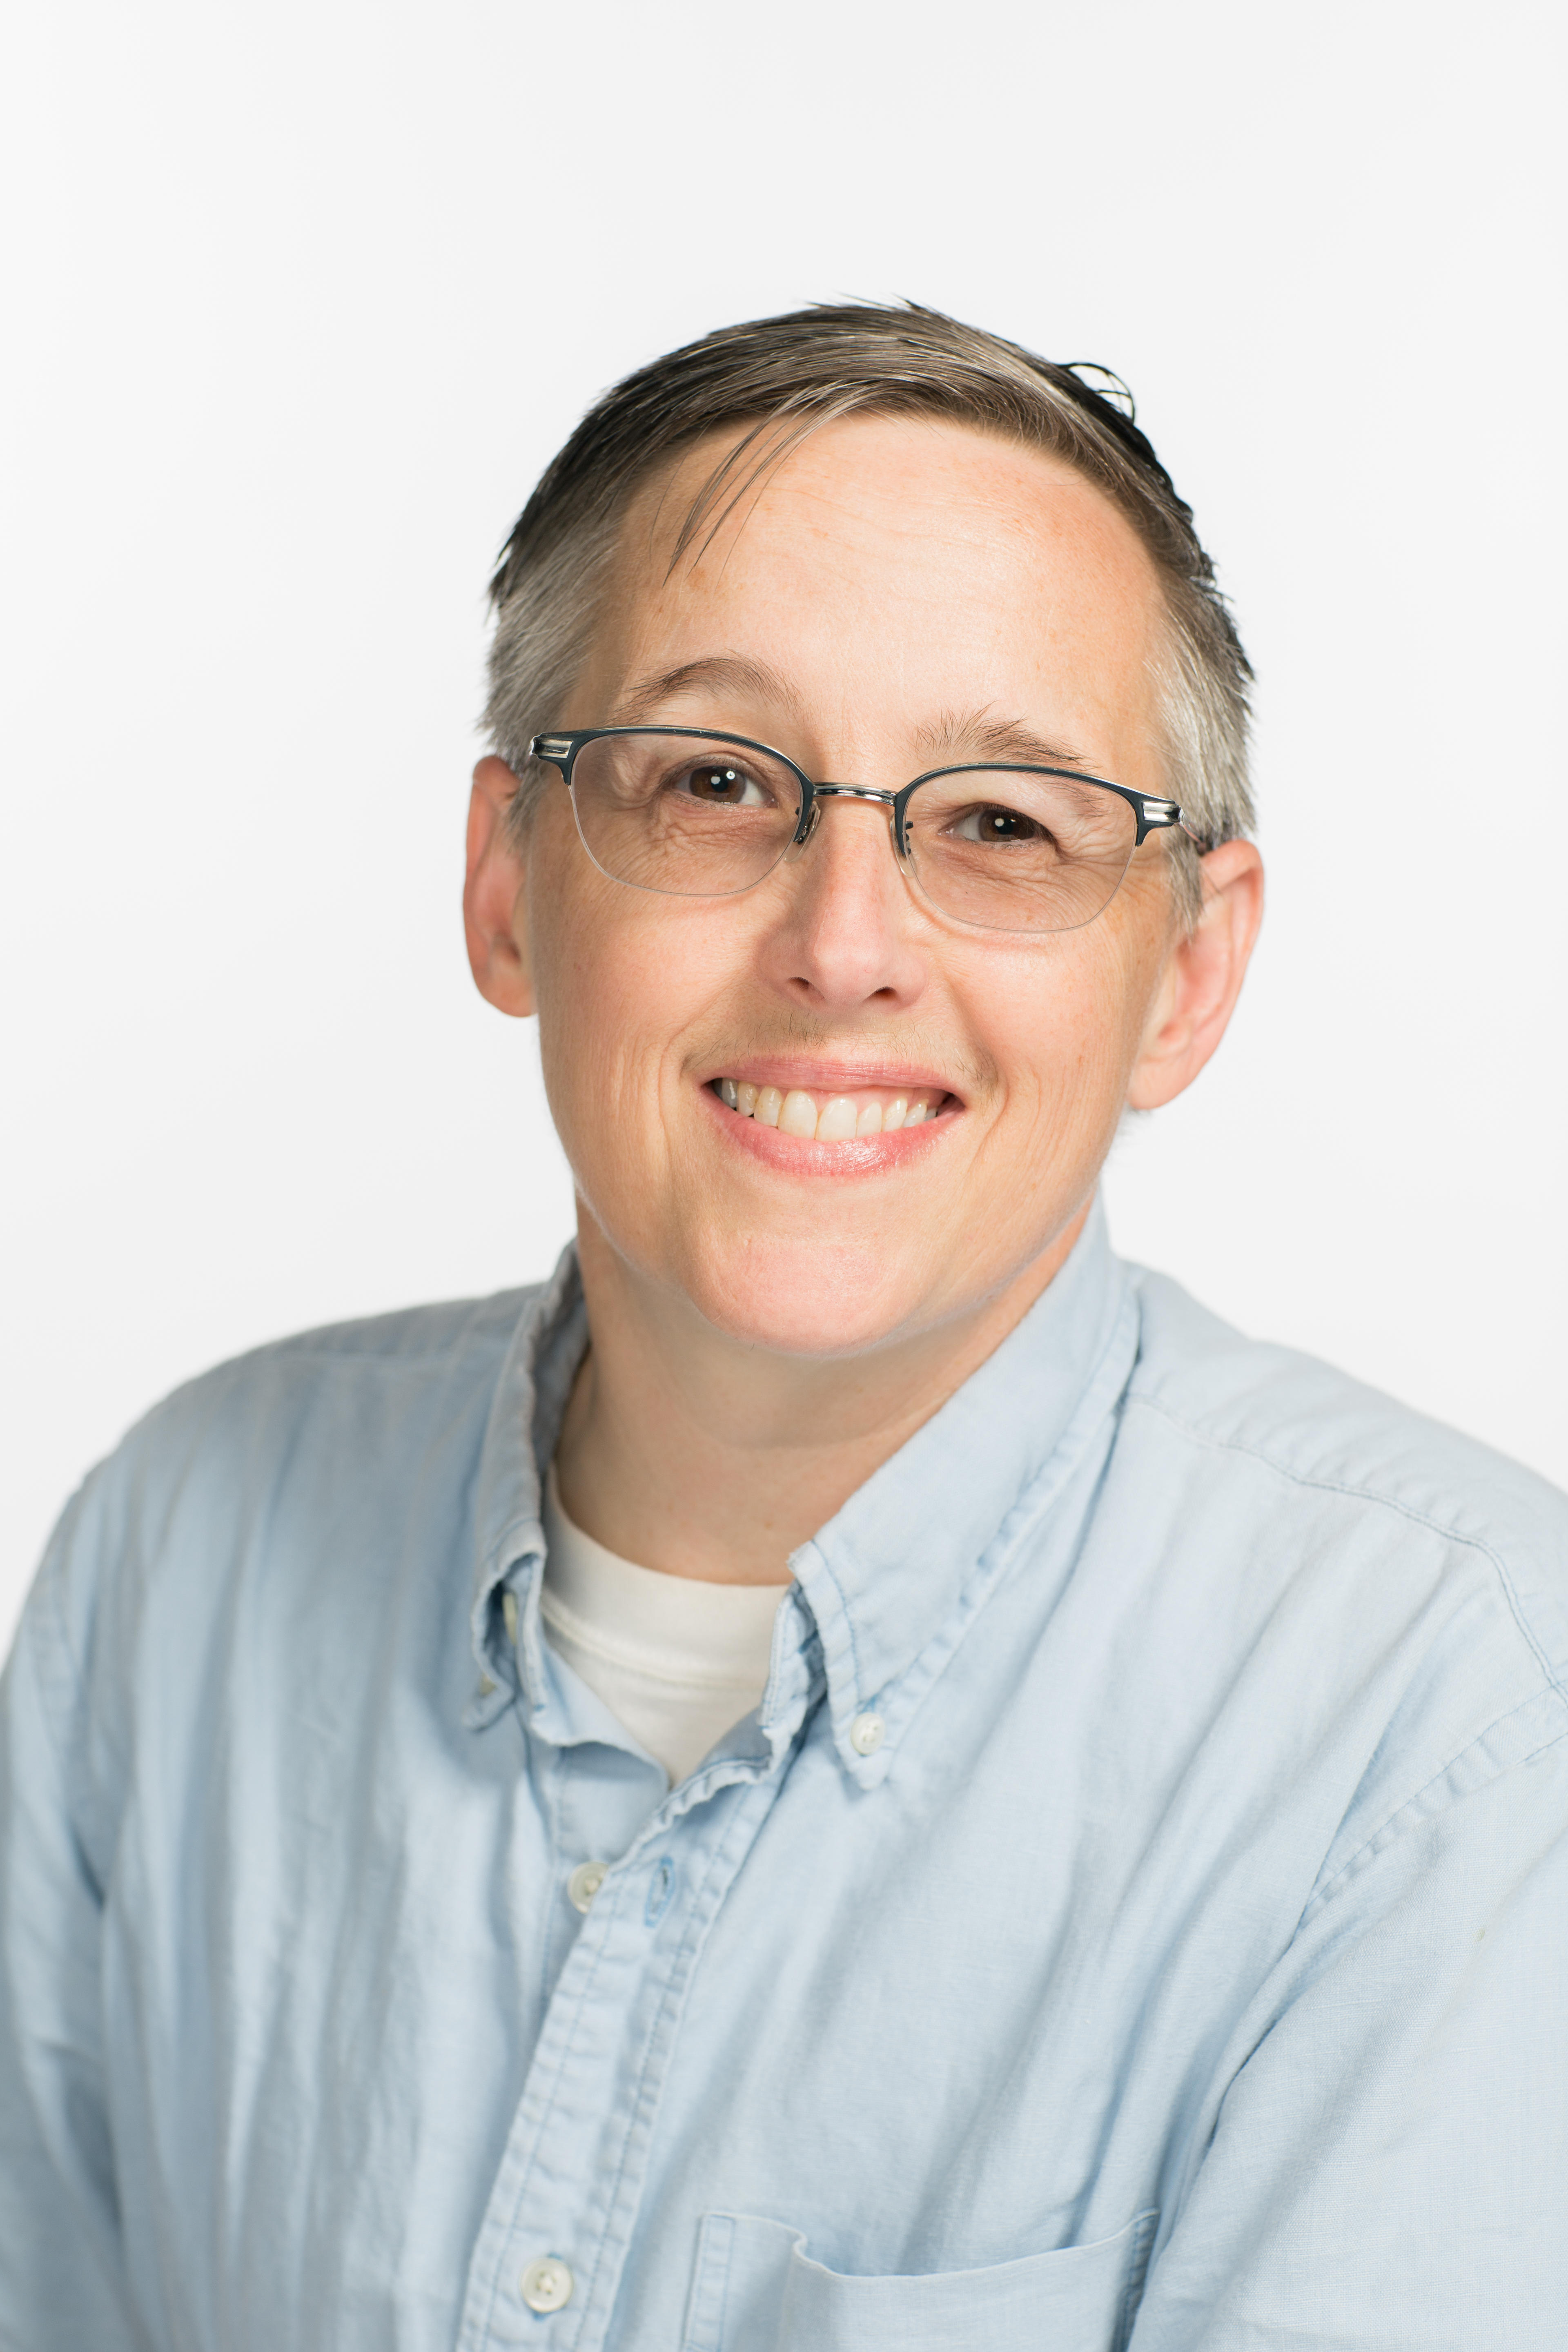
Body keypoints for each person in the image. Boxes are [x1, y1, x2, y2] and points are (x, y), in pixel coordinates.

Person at [1, 302, 1564, 2352]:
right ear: (506, 884)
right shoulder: (175, 1552)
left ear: (1187, 975)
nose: (844, 947)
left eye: (1004, 819)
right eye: (716, 782)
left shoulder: (1451, 1729)